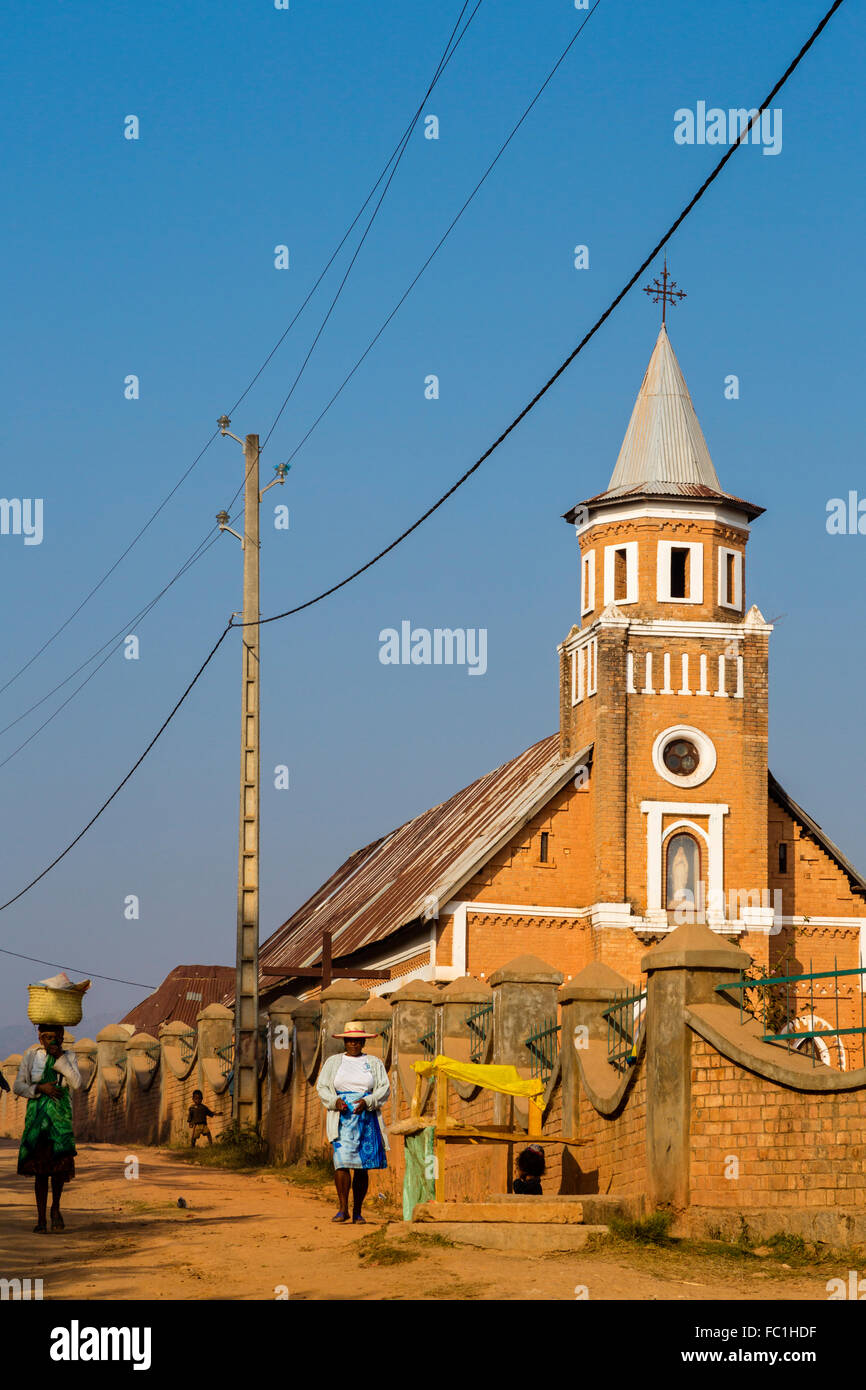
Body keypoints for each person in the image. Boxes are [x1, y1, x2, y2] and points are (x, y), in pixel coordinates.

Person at [316, 1021, 389, 1224]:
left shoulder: (374, 1063)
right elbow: (322, 1087)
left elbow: (384, 1088)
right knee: (341, 1162)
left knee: (361, 1166)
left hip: (365, 1117)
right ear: (345, 1042)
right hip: (342, 1117)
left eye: (358, 1041)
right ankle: (342, 1208)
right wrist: (334, 1101)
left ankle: (357, 1211)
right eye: (350, 1041)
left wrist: (368, 1101)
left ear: (363, 1042)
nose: (354, 1045)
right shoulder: (333, 1063)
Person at [14, 1023, 81, 1233]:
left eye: (55, 1036)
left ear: (61, 1037)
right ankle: (41, 1219)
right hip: (37, 1120)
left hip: (60, 1120)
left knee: (58, 1170)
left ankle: (56, 1208)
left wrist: (60, 1057)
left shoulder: (69, 1057)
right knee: (41, 1171)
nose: (51, 1040)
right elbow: (18, 1086)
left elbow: (77, 1083)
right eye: (46, 1037)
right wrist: (39, 1088)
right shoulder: (31, 1056)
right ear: (40, 1037)